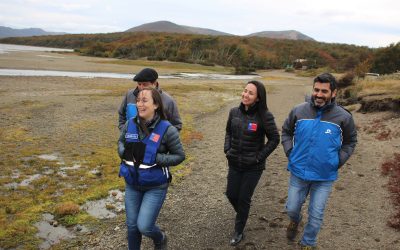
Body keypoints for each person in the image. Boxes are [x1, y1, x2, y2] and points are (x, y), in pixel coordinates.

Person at [281, 73, 357, 249]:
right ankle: (295, 220)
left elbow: (350, 141)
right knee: (292, 208)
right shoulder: (298, 110)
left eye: (324, 91)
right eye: (316, 90)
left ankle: (308, 243)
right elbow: (285, 131)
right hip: (298, 172)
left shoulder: (343, 117)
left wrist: (337, 161)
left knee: (316, 215)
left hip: (324, 176)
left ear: (333, 93)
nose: (319, 94)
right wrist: (290, 152)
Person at [118, 87, 185, 250]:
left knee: (144, 226)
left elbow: (179, 155)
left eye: (144, 100)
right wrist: (124, 152)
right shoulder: (129, 124)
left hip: (155, 186)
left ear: (156, 105)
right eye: (138, 100)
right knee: (132, 227)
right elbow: (120, 143)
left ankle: (160, 238)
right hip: (132, 183)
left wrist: (156, 158)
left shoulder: (167, 129)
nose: (140, 104)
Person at [224, 80, 280, 246]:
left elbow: (274, 139)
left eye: (250, 93)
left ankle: (239, 230)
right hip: (234, 162)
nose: (245, 95)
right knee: (231, 194)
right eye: (245, 91)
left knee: (243, 198)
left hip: (253, 166)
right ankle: (243, 213)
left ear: (258, 98)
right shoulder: (234, 112)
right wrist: (227, 149)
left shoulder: (265, 116)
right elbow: (228, 132)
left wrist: (259, 157)